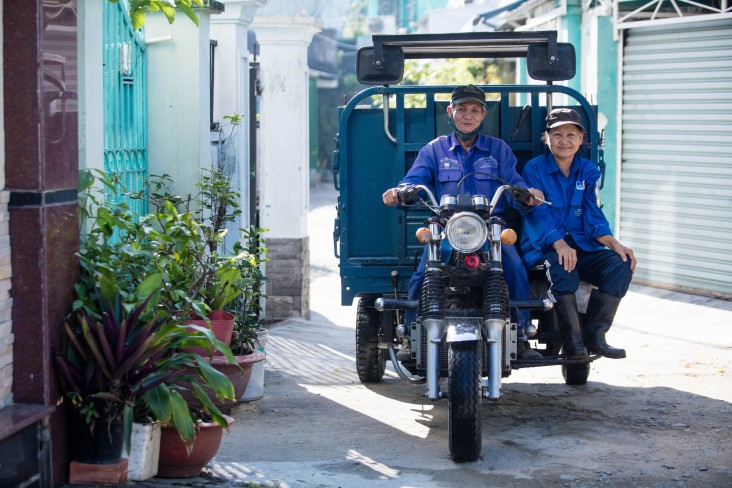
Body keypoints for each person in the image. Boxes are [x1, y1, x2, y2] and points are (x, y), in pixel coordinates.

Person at [382, 84, 544, 359]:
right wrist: (400, 191)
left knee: (515, 266)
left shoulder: (498, 150)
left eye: (474, 110)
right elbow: (414, 180)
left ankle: (523, 335)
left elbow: (516, 184)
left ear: (483, 115)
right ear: (450, 112)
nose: (467, 115)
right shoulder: (435, 150)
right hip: (448, 229)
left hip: (491, 227)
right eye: (461, 109)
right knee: (424, 273)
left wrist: (528, 195)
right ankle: (411, 336)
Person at [520, 108, 636, 359]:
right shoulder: (534, 169)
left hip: (581, 245)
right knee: (564, 266)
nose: (564, 141)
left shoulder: (588, 171)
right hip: (544, 246)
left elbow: (593, 214)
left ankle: (595, 335)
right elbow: (537, 214)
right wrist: (558, 243)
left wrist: (615, 244)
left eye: (571, 134)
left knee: (620, 264)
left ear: (581, 139)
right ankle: (573, 341)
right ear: (547, 138)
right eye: (557, 134)